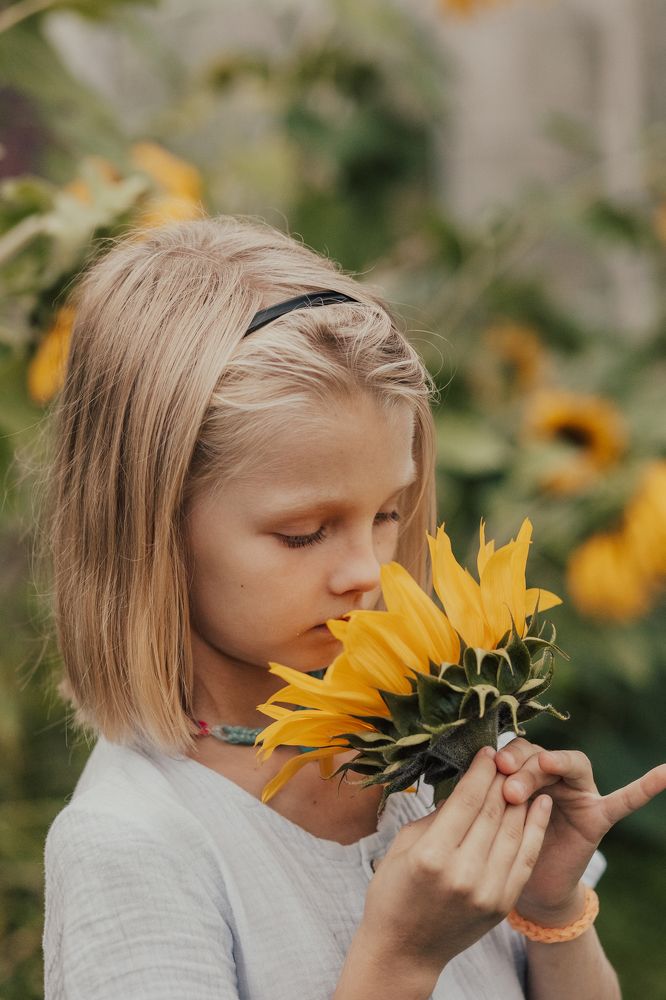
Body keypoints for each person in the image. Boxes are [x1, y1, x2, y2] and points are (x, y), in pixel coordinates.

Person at [42, 216, 665, 1000]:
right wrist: (400, 959)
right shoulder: (133, 846)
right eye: (304, 534)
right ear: (149, 526)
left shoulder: (430, 733)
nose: (368, 573)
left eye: (388, 512)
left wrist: (551, 905)